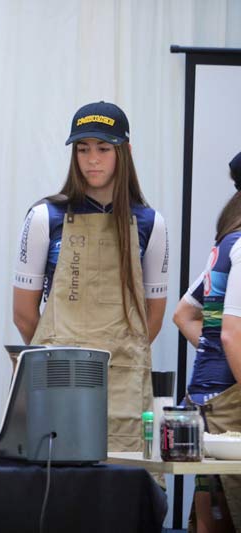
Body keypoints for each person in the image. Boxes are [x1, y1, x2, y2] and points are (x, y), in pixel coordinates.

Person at [12, 101, 168, 453]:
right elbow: (23, 313)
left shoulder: (150, 224)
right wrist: (56, 352)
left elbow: (153, 317)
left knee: (124, 481)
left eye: (103, 148)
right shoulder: (43, 217)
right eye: (83, 149)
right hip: (56, 377)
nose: (92, 159)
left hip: (123, 378)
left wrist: (124, 352)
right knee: (57, 483)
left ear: (124, 151)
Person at [173, 150, 241, 533]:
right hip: (231, 406)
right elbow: (232, 333)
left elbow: (184, 315)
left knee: (210, 512)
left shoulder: (228, 243)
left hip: (205, 399)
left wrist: (215, 349)